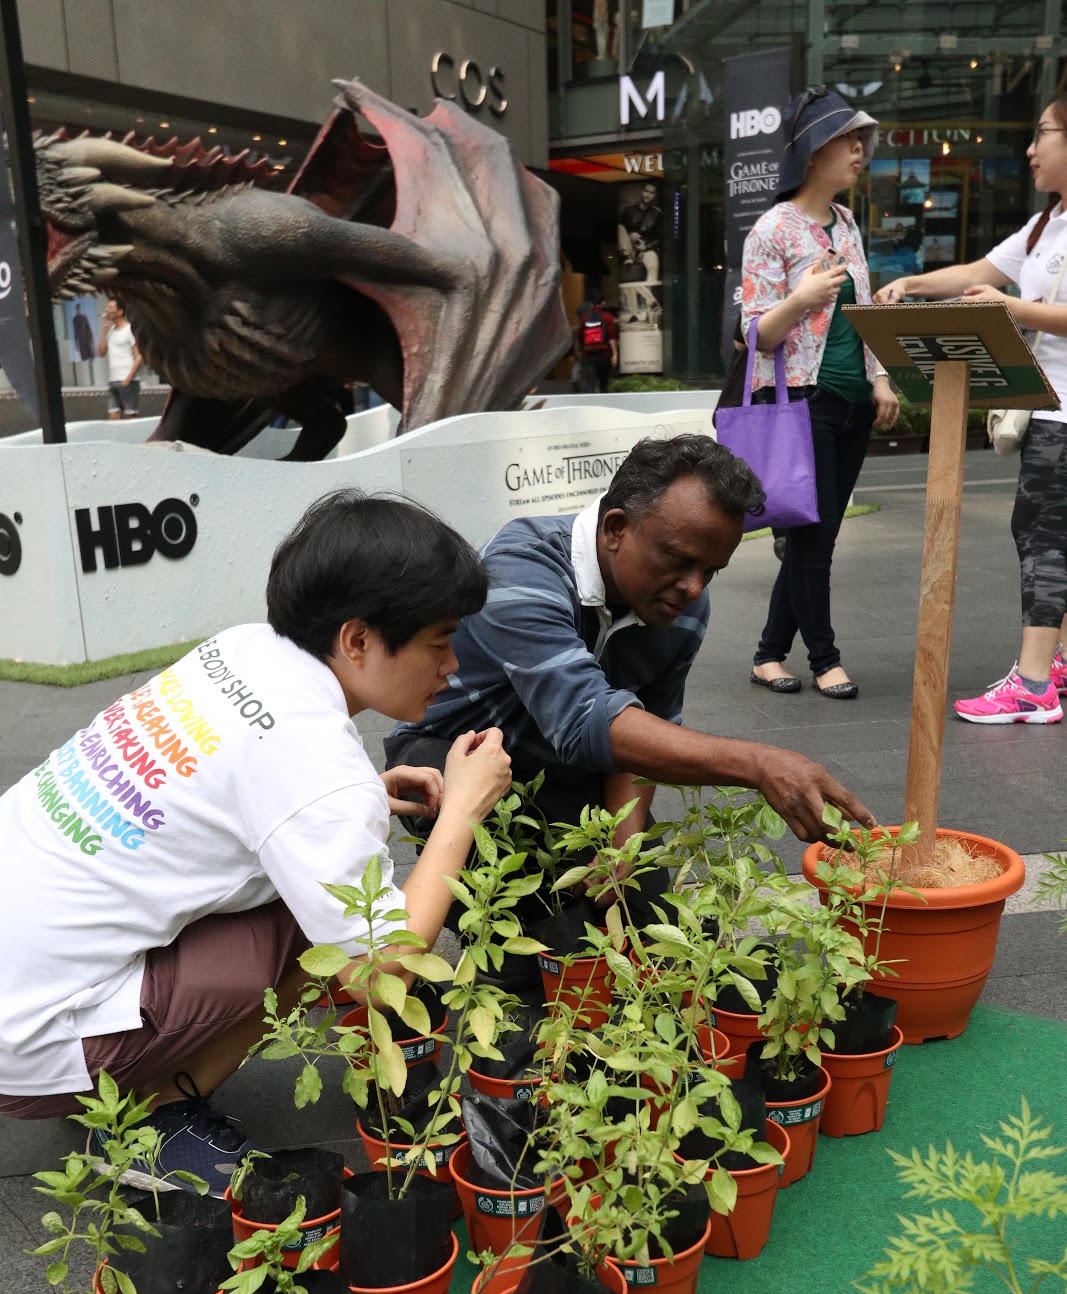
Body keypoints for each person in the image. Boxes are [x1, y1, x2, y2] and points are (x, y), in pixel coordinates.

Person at [0, 491, 512, 1194]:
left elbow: (243, 784)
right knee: (318, 935)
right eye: (438, 640)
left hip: (21, 976)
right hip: (29, 1039)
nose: (452, 664)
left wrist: (357, 800)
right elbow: (382, 969)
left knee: (303, 896)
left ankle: (128, 1077)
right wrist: (461, 815)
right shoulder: (315, 769)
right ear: (358, 640)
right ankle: (149, 1122)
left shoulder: (241, 650)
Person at [384, 433, 874, 859]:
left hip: (566, 775)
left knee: (660, 932)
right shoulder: (519, 568)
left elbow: (648, 731)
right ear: (616, 529)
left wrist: (621, 847)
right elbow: (585, 719)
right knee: (547, 947)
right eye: (679, 560)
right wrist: (761, 764)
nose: (694, 588)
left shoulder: (681, 605)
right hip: (454, 762)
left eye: (711, 570)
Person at [877, 96, 1067, 726]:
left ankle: (1034, 684)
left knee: (1042, 536)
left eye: (1043, 134)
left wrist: (1011, 309)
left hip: (1065, 416)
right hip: (1049, 408)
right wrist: (910, 285)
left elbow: (1008, 296)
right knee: (1046, 533)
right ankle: (1058, 663)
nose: (1032, 149)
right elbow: (976, 271)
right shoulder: (1046, 224)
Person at [743, 87, 900, 701]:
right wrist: (800, 300)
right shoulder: (772, 229)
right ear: (813, 152)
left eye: (863, 139)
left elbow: (858, 314)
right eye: (848, 139)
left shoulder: (848, 223)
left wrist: (880, 378)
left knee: (819, 536)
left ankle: (766, 654)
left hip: (850, 401)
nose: (860, 150)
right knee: (813, 541)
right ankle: (825, 657)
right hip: (800, 402)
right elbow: (756, 334)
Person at [98, 299, 142, 419]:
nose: (107, 310)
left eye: (111, 308)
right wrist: (104, 333)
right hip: (113, 380)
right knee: (113, 416)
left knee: (131, 417)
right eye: (107, 308)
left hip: (128, 380)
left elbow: (139, 356)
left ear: (120, 311)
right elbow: (101, 353)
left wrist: (128, 379)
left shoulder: (129, 330)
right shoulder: (110, 331)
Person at [573, 297, 618, 393]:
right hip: (604, 354)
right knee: (604, 383)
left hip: (589, 355)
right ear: (603, 303)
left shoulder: (585, 318)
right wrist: (614, 354)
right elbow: (612, 337)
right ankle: (603, 403)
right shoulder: (607, 317)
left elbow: (581, 336)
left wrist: (582, 350)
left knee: (590, 383)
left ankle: (590, 402)